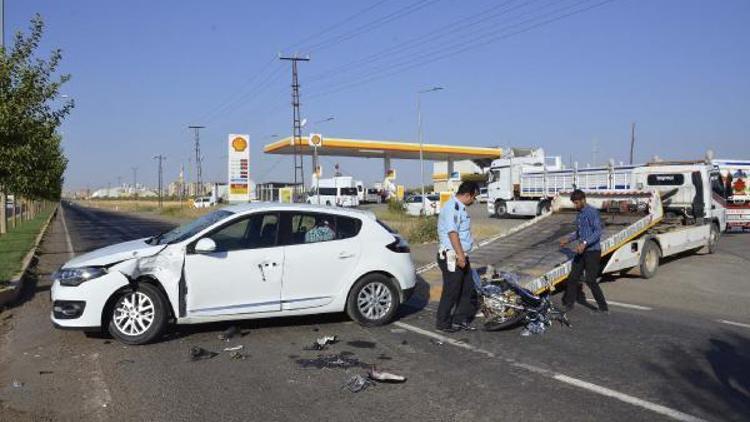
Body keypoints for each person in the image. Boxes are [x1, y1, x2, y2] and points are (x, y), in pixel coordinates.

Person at [435, 181, 480, 333]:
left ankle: (459, 320)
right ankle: (443, 322)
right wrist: (461, 256)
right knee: (452, 290)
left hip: (460, 255)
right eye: (474, 197)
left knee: (467, 288)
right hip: (452, 256)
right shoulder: (451, 208)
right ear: (468, 195)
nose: (474, 201)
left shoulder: (460, 208)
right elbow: (452, 234)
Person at [559, 190, 609, 313]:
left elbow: (597, 232)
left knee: (590, 280)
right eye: (574, 203)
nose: (575, 206)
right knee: (572, 278)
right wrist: (568, 240)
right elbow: (580, 232)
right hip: (581, 251)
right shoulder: (580, 214)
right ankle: (569, 305)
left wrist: (585, 244)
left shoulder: (593, 212)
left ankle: (603, 307)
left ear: (583, 200)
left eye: (576, 203)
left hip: (592, 252)